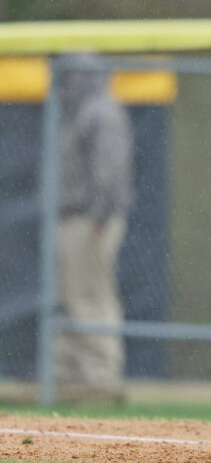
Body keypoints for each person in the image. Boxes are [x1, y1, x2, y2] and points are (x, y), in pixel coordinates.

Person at [55, 53, 133, 403]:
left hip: (91, 219)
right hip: (76, 216)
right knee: (72, 296)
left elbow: (109, 168)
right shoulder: (83, 109)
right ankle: (73, 376)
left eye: (73, 75)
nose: (67, 82)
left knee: (92, 296)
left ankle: (101, 378)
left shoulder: (101, 110)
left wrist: (99, 216)